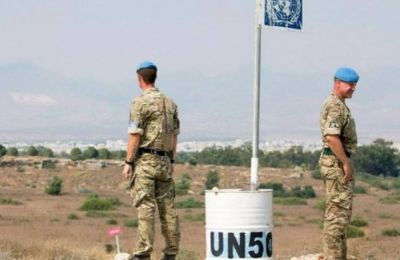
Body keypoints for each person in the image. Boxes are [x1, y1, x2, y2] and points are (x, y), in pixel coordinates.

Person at [122, 61, 180, 260]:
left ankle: (143, 253)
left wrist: (128, 162)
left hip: (145, 161)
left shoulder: (139, 103)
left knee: (145, 207)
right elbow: (174, 135)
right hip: (165, 162)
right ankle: (171, 252)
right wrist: (171, 161)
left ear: (140, 79)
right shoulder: (170, 103)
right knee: (168, 209)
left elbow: (135, 135)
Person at [319, 67, 359, 260]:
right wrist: (345, 163)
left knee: (340, 215)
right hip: (336, 163)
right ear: (337, 83)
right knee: (337, 215)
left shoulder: (338, 104)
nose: (353, 88)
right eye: (350, 84)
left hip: (334, 162)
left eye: (354, 84)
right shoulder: (335, 106)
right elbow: (332, 137)